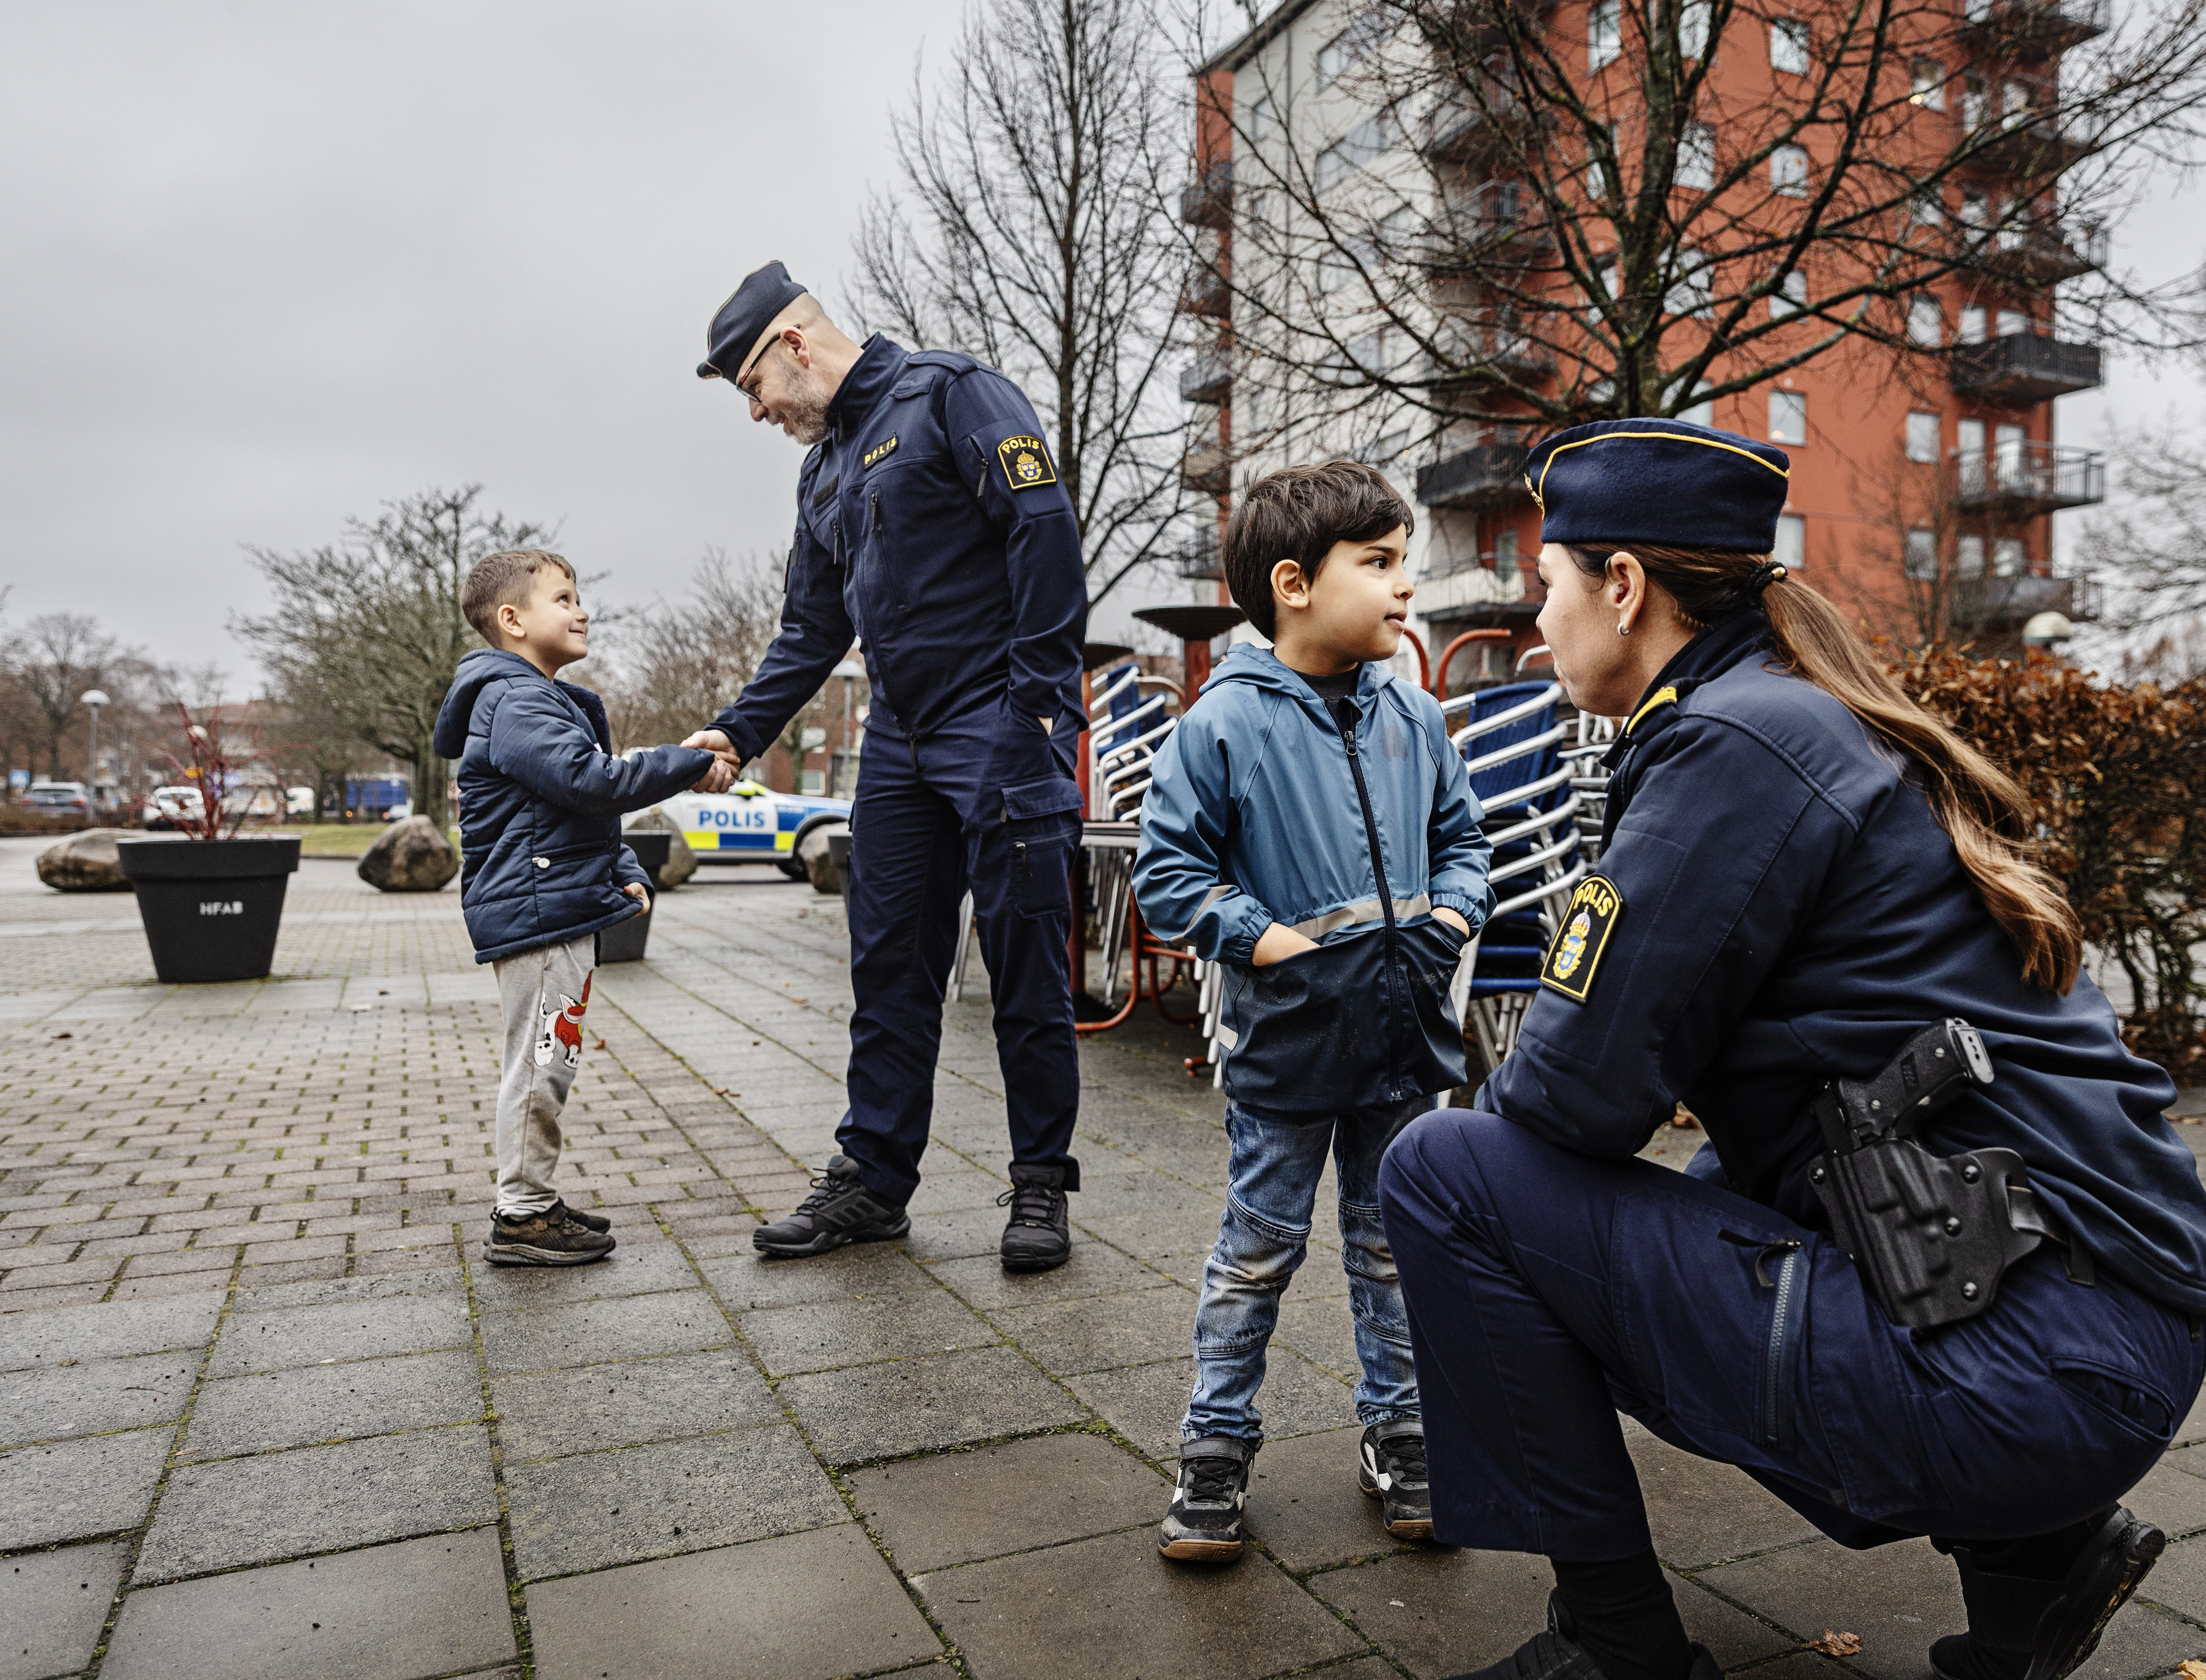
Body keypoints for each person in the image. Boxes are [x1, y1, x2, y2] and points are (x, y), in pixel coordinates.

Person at [1376, 418, 2206, 1680]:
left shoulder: (1732, 742)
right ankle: (2038, 1565)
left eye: (1547, 585)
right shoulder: (1801, 716)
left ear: (1623, 587)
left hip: (2029, 1368)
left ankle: (1614, 1649)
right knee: (1721, 1190)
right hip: (2104, 1329)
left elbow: (1570, 1097)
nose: (1534, 620)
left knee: (1447, 1174)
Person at [684, 262, 1091, 1273]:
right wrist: (735, 732)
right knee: (889, 967)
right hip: (901, 747)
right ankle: (873, 1180)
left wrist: (1036, 706)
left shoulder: (954, 393)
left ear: (793, 344)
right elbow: (809, 631)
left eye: (751, 388)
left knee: (1026, 967)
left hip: (999, 723)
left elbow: (1043, 529)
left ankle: (1041, 1183)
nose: (757, 413)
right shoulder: (822, 471)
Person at [1133, 462, 1493, 1562]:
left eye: (1406, 563)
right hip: (1288, 1030)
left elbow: (1465, 846)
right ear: (1294, 583)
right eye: (1380, 565)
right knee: (1258, 1247)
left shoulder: (1418, 716)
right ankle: (1213, 1449)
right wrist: (1273, 943)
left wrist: (1447, 924)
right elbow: (1170, 876)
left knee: (1395, 1248)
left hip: (1401, 1032)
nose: (1406, 589)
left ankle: (1402, 1437)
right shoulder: (1223, 724)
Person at [434, 549, 716, 1267]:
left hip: (549, 903)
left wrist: (619, 867)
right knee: (540, 1062)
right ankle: (522, 1214)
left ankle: (529, 1198)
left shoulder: (530, 698)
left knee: (546, 1056)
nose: (581, 609)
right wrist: (686, 760)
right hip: (537, 915)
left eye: (579, 596)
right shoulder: (517, 699)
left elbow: (566, 811)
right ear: (513, 619)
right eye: (563, 598)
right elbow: (587, 781)